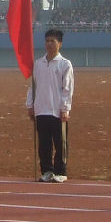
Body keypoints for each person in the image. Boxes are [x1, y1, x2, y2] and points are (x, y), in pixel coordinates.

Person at [27, 29, 74, 182]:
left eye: (52, 41)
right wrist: (30, 105)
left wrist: (65, 108)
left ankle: (61, 172)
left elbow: (68, 88)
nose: (49, 44)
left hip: (57, 111)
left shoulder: (65, 64)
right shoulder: (38, 64)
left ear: (59, 44)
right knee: (44, 145)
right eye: (47, 41)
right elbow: (32, 86)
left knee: (60, 143)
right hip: (41, 110)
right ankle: (47, 171)